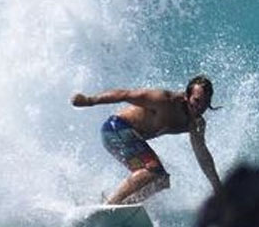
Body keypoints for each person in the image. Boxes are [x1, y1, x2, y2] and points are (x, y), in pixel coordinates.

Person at [71, 75, 223, 205]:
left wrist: (217, 187)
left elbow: (202, 155)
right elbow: (124, 94)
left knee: (162, 180)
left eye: (205, 102)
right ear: (186, 96)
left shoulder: (196, 124)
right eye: (197, 101)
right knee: (152, 169)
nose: (200, 107)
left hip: (130, 139)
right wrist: (90, 100)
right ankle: (110, 204)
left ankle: (123, 205)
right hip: (116, 129)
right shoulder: (164, 100)